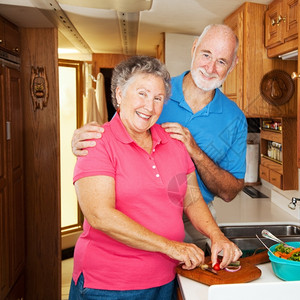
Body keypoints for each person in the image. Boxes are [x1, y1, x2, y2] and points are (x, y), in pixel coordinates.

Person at [69, 56, 241, 300]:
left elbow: (191, 199)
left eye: (158, 98)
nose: (149, 106)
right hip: (109, 287)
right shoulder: (97, 142)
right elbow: (100, 216)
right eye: (141, 93)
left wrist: (217, 236)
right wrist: (171, 247)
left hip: (166, 278)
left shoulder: (173, 141)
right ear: (119, 94)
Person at [71, 24, 248, 251]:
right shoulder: (156, 88)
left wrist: (195, 151)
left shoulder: (235, 119)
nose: (211, 67)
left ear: (233, 65)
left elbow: (226, 191)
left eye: (222, 61)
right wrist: (81, 139)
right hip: (139, 211)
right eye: (206, 54)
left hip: (198, 216)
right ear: (194, 48)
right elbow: (114, 133)